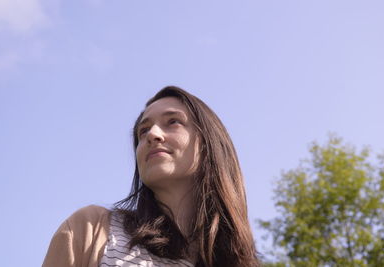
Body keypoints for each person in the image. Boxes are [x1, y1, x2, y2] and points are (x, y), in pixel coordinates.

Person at [43, 86, 259, 267]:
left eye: (173, 121)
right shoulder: (92, 228)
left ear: (209, 143)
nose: (152, 135)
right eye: (143, 131)